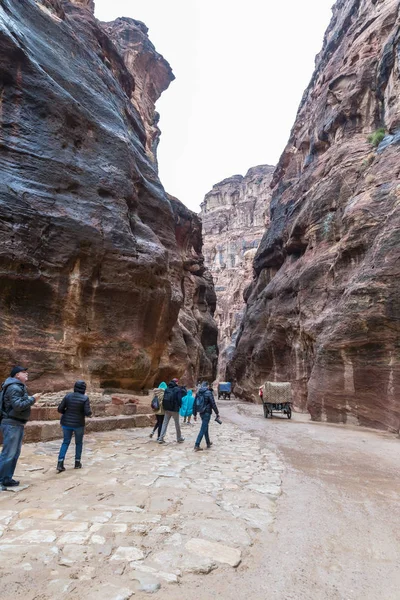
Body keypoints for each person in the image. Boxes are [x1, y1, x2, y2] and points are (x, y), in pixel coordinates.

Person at [0, 366, 41, 490]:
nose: (27, 374)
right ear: (17, 375)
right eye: (24, 372)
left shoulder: (16, 386)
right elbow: (18, 405)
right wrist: (33, 399)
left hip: (16, 423)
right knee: (9, 453)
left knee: (14, 453)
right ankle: (2, 479)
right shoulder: (14, 387)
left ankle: (7, 478)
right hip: (12, 423)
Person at [56, 380, 92, 473]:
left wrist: (67, 413)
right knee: (79, 443)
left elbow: (60, 409)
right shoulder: (85, 398)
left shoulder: (68, 396)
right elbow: (87, 412)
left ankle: (60, 463)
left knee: (65, 442)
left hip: (66, 423)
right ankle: (77, 462)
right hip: (78, 424)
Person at [193, 382, 220, 451]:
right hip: (207, 412)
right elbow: (213, 403)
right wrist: (217, 413)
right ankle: (197, 444)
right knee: (203, 428)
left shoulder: (199, 393)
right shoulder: (208, 392)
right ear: (207, 386)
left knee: (205, 427)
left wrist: (195, 414)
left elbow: (195, 404)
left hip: (201, 412)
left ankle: (208, 443)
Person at [158, 379, 185, 444]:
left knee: (165, 423)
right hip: (174, 409)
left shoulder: (167, 389)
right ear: (176, 383)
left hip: (167, 409)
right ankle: (179, 438)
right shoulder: (177, 389)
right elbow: (179, 399)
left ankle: (161, 438)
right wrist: (180, 405)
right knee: (177, 424)